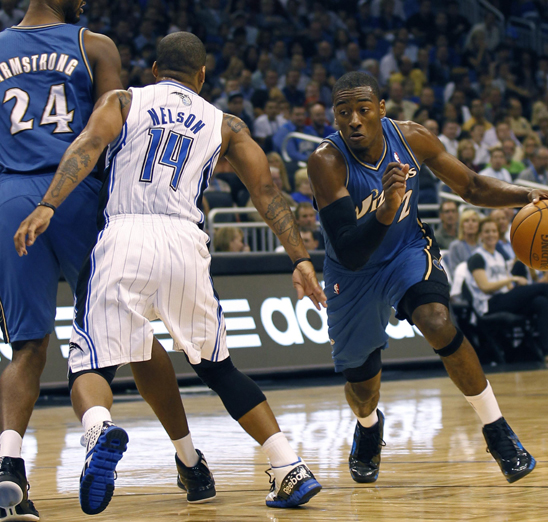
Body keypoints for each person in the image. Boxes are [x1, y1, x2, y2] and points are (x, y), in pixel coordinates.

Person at [14, 33, 326, 514]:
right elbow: (266, 192)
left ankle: (99, 430)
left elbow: (89, 145)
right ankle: (289, 466)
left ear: (157, 68)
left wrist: (47, 204)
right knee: (218, 368)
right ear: (203, 77)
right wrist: (300, 258)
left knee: (91, 362)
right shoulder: (227, 125)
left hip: (124, 234)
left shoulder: (124, 99)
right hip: (185, 242)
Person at [307, 71, 548, 487]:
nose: (354, 120)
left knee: (436, 320)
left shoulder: (413, 138)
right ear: (335, 116)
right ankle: (368, 427)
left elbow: (470, 186)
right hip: (353, 273)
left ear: (382, 109)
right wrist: (385, 208)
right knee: (362, 387)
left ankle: (497, 430)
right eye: (344, 112)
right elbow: (349, 249)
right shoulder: (326, 161)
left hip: (406, 252)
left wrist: (526, 195)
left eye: (363, 110)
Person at [0, 1, 124, 519]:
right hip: (73, 192)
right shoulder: (93, 44)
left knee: (27, 346)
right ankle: (96, 425)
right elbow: (111, 127)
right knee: (108, 328)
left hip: (9, 197)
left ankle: (8, 468)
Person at [466, 218, 548, 364]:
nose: (491, 234)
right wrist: (512, 280)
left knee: (541, 301)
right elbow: (485, 287)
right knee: (543, 288)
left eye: (494, 231)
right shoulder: (477, 257)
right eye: (487, 231)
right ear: (480, 235)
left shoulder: (498, 256)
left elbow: (507, 287)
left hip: (504, 298)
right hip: (489, 304)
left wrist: (517, 288)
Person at [446, 210, 481, 276]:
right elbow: (453, 271)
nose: (470, 224)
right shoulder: (455, 246)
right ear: (462, 225)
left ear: (478, 225)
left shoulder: (482, 245)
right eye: (466, 221)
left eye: (474, 221)